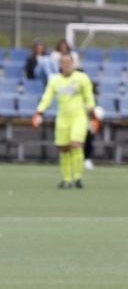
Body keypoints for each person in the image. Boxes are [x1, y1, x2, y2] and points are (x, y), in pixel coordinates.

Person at [32, 54, 96, 189]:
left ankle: (78, 178)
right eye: (63, 62)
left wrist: (94, 116)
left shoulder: (81, 78)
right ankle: (66, 180)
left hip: (78, 117)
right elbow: (47, 98)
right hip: (62, 118)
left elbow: (89, 97)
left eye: (68, 62)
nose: (66, 65)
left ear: (73, 64)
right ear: (60, 65)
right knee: (64, 148)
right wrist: (39, 113)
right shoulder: (55, 81)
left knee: (76, 145)